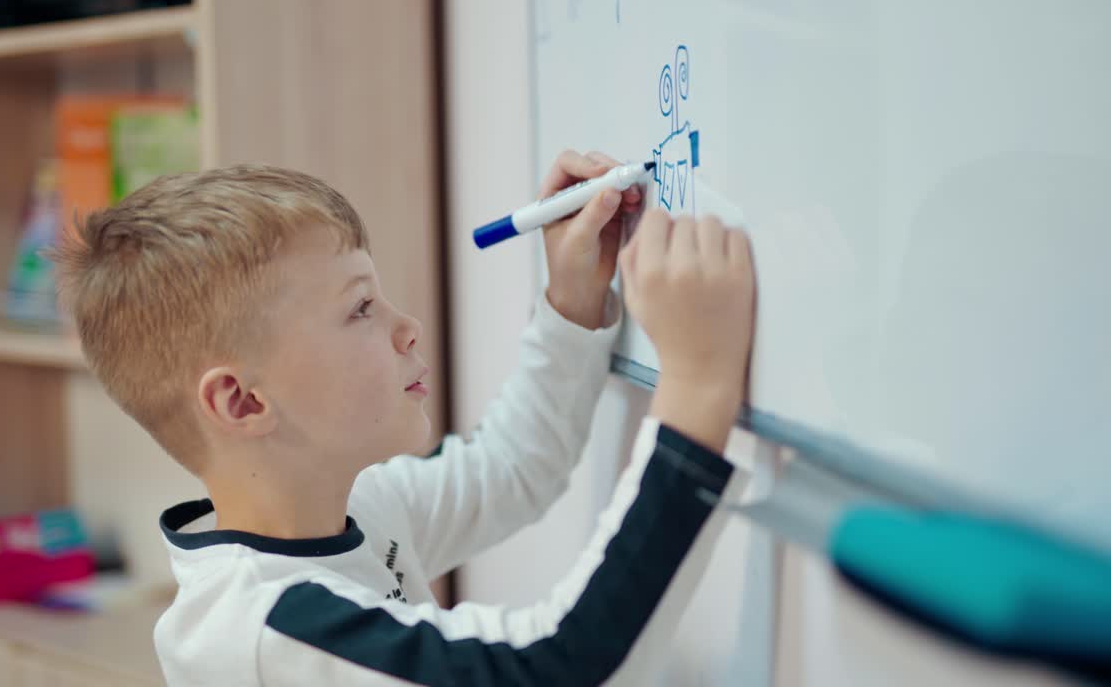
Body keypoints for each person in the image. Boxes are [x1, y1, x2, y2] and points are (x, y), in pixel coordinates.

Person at [52, 149, 756, 686]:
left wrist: (572, 303)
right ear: (243, 402)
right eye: (361, 308)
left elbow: (511, 471)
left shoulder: (352, 509)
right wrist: (697, 385)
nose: (407, 326)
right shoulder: (263, 629)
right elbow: (562, 668)